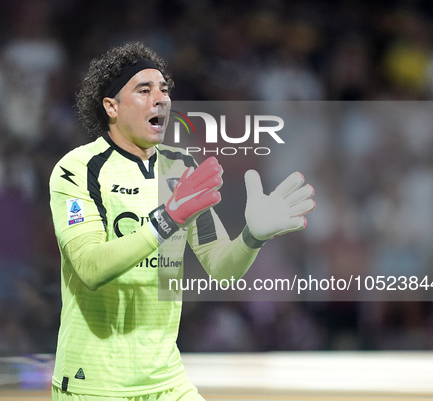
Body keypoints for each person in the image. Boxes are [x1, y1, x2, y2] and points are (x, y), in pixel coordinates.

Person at [49, 42, 316, 400]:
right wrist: (167, 219)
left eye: (164, 89)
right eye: (144, 90)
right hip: (96, 382)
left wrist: (251, 237)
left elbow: (221, 267)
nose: (160, 98)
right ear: (111, 106)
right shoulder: (77, 169)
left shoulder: (180, 167)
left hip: (166, 380)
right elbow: (90, 267)